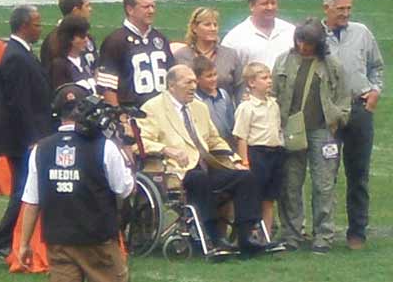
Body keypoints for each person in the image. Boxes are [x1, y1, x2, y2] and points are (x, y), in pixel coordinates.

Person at [137, 64, 270, 254]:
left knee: (246, 177)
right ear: (172, 85)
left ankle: (247, 236)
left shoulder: (199, 107)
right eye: (188, 82)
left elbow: (214, 140)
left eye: (194, 81)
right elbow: (140, 142)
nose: (193, 85)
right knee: (199, 179)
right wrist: (167, 149)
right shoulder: (153, 108)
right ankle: (213, 237)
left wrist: (236, 160)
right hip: (176, 171)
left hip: (206, 165)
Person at [19, 83, 134, 281]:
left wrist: (23, 244)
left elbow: (31, 201)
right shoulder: (104, 146)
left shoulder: (40, 149)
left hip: (58, 241)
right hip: (97, 240)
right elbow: (123, 188)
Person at [273, 17, 350, 254]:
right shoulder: (283, 61)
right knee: (290, 183)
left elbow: (344, 96)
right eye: (301, 41)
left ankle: (323, 235)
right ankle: (291, 233)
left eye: (309, 43)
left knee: (324, 184)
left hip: (323, 131)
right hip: (292, 130)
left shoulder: (332, 65)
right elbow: (275, 93)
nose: (304, 47)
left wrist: (338, 119)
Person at [322, 0, 384, 250]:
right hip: (328, 114)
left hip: (359, 109)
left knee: (358, 174)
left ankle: (357, 232)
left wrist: (375, 92)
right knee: (326, 173)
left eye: (348, 8)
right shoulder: (316, 36)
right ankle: (321, 231)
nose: (345, 13)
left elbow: (377, 66)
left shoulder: (362, 32)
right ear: (327, 8)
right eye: (340, 9)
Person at [0, 5, 53, 257]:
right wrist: (32, 139)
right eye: (37, 24)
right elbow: (18, 103)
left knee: (24, 189)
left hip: (26, 136)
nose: (40, 28)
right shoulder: (16, 56)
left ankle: (5, 239)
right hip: (23, 139)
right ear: (24, 26)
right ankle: (1, 240)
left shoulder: (20, 52)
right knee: (22, 190)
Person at [98, 0, 174, 108]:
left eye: (153, 6)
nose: (151, 11)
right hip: (132, 111)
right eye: (145, 7)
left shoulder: (160, 39)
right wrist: (119, 116)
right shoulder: (115, 41)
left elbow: (172, 76)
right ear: (130, 9)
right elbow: (107, 86)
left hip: (162, 110)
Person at [233, 62, 284, 237]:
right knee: (255, 195)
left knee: (269, 198)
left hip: (274, 152)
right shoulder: (246, 107)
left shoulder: (274, 104)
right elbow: (242, 136)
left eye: (270, 77)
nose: (269, 81)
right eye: (264, 78)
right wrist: (244, 160)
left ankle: (266, 235)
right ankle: (251, 233)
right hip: (257, 153)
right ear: (252, 83)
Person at [174, 7, 243, 103]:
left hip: (223, 111)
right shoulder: (180, 56)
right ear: (194, 28)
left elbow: (240, 89)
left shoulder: (230, 55)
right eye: (207, 25)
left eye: (215, 25)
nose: (213, 28)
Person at [222, 0, 295, 70]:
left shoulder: (291, 31)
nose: (270, 7)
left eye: (273, 3)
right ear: (252, 6)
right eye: (264, 4)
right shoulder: (234, 39)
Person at [40, 0, 98, 73]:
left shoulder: (88, 37)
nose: (90, 9)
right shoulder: (54, 40)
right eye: (87, 6)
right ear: (75, 11)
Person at [193, 55, 235, 150]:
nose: (213, 79)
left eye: (215, 74)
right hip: (208, 145)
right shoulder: (195, 99)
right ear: (197, 79)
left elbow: (231, 122)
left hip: (227, 143)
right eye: (209, 76)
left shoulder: (224, 94)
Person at [49, 15, 96, 93]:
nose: (86, 40)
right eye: (82, 36)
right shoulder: (59, 65)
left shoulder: (84, 60)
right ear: (69, 38)